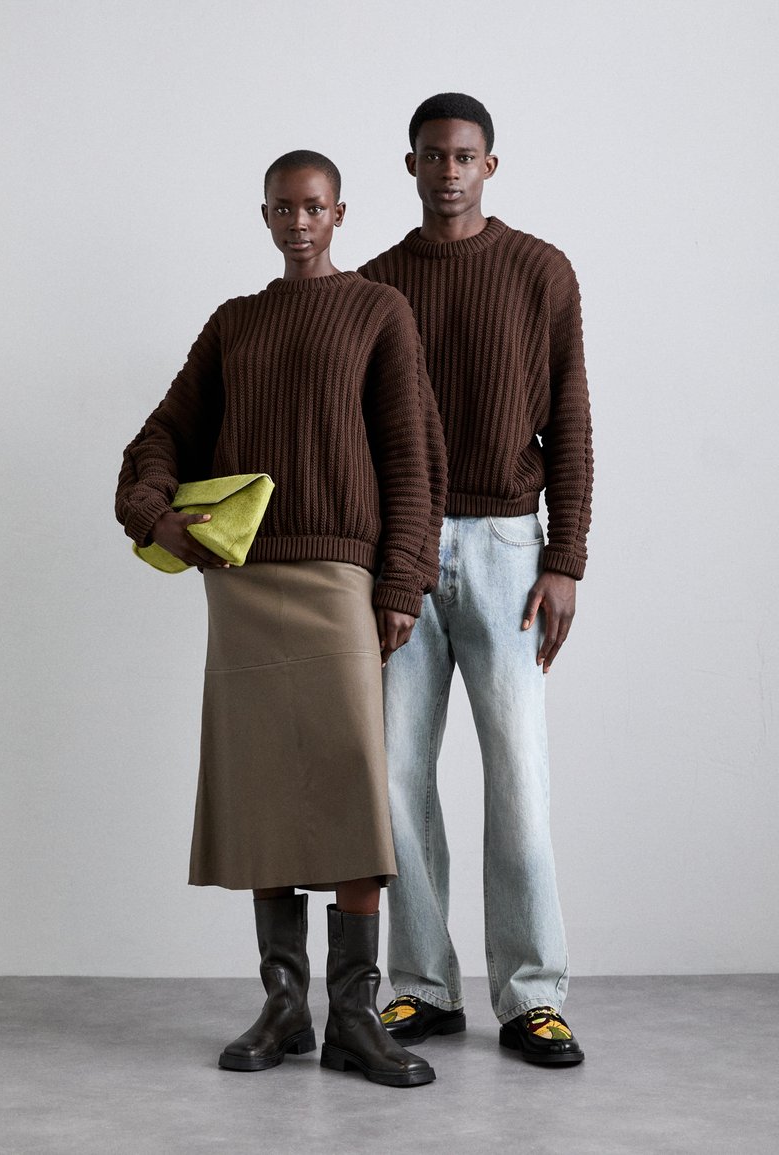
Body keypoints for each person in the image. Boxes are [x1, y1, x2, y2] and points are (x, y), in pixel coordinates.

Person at [115, 150, 447, 1088]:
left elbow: (412, 455)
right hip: (245, 579)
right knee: (265, 791)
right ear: (264, 217)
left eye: (314, 208)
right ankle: (284, 1006)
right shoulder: (235, 323)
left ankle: (354, 1014)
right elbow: (161, 434)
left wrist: (400, 583)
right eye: (282, 209)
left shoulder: (380, 310)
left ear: (340, 213)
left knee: (347, 787)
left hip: (341, 574)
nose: (298, 223)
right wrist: (156, 513)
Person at [359, 94, 593, 1065]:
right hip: (399, 554)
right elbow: (354, 440)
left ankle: (530, 995)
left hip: (505, 550)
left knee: (518, 782)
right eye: (431, 156)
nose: (447, 171)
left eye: (463, 156)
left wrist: (563, 557)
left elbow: (569, 422)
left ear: (489, 166)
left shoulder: (539, 271)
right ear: (407, 165)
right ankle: (419, 987)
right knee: (396, 777)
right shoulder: (372, 286)